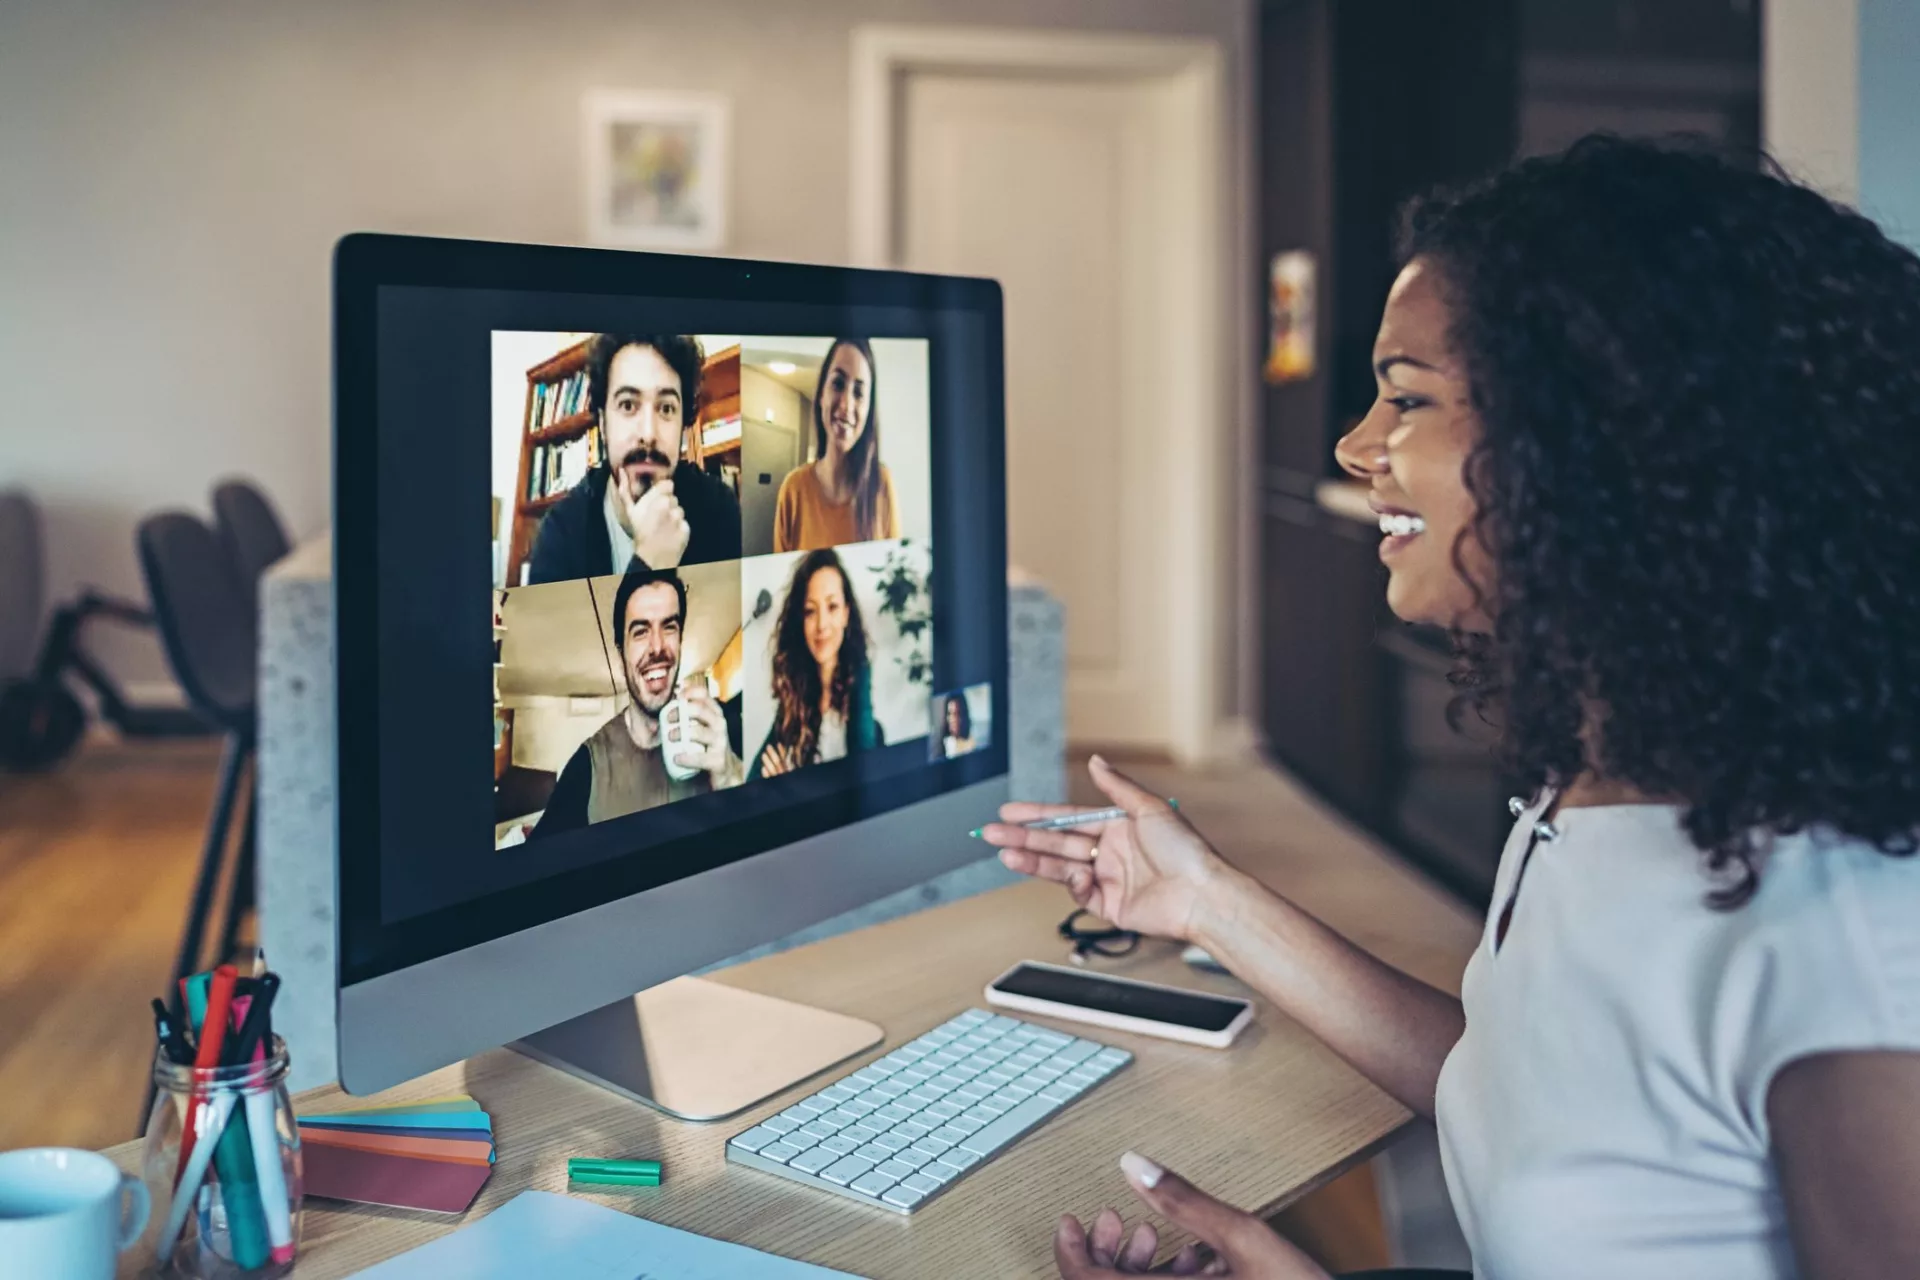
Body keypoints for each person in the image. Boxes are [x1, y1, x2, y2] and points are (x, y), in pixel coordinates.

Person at [985, 137, 1920, 1279]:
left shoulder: (1853, 956)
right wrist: (1211, 901)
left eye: (1407, 399)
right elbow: (1530, 1091)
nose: (1354, 446)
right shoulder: (1607, 774)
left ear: (1598, 443)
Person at [534, 567, 741, 836]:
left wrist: (733, 780)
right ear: (621, 655)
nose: (657, 647)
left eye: (669, 627)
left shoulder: (720, 728)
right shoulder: (588, 766)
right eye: (641, 631)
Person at [527, 333, 741, 584]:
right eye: (628, 405)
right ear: (603, 422)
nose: (648, 434)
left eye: (666, 408)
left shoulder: (720, 510)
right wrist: (649, 563)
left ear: (683, 424)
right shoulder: (560, 533)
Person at [750, 549, 884, 778]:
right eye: (810, 611)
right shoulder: (792, 707)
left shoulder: (866, 716)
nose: (821, 625)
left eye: (832, 607)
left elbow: (865, 786)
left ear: (845, 614)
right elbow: (752, 782)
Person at [772, 338, 899, 551]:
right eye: (838, 384)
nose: (846, 405)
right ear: (821, 394)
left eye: (858, 393)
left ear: (869, 410)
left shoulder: (882, 485)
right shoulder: (793, 490)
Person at [939, 692, 976, 758]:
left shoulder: (971, 742)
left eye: (956, 714)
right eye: (949, 713)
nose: (952, 719)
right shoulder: (946, 742)